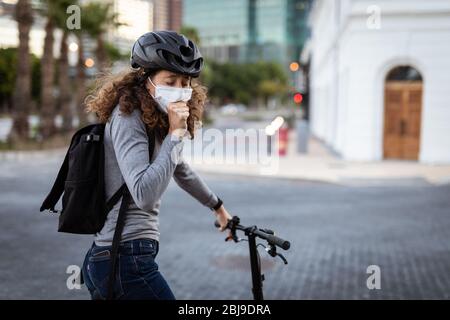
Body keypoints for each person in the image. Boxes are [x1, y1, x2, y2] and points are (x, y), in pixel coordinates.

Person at [81, 30, 232, 300]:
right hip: (124, 260)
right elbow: (144, 195)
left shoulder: (152, 118)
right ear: (146, 79)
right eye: (170, 81)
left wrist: (217, 206)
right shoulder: (129, 118)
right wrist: (175, 134)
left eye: (185, 82)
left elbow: (179, 169)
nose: (179, 91)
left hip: (122, 257)